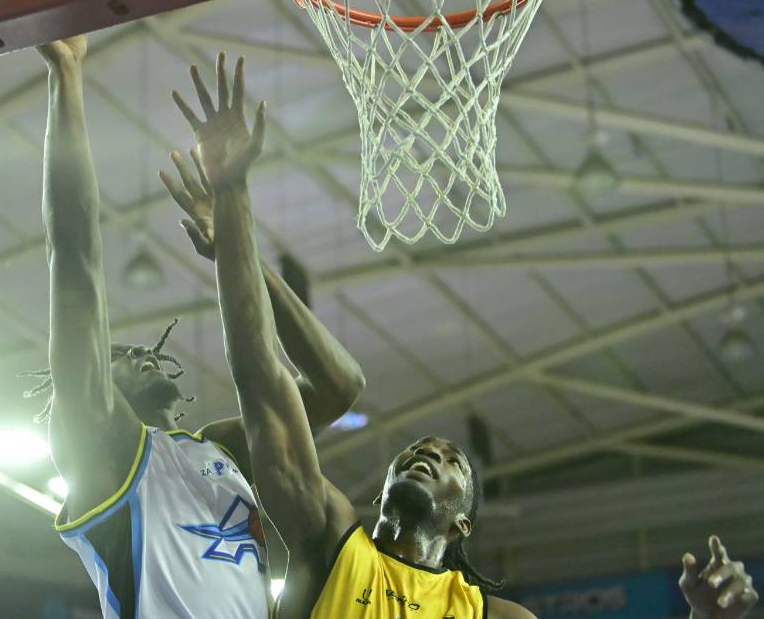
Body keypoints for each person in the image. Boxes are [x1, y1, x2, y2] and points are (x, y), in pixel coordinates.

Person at [173, 51, 760, 619]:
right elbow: (262, 381)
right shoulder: (328, 543)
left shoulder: (497, 616)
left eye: (451, 460)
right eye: (416, 453)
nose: (427, 453)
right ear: (380, 494)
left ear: (462, 524)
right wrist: (233, 195)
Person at [29, 36, 366, 618]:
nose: (143, 356)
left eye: (146, 351)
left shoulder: (222, 450)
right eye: (122, 357)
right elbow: (74, 256)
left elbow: (339, 387)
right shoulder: (103, 450)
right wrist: (67, 75)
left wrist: (237, 243)